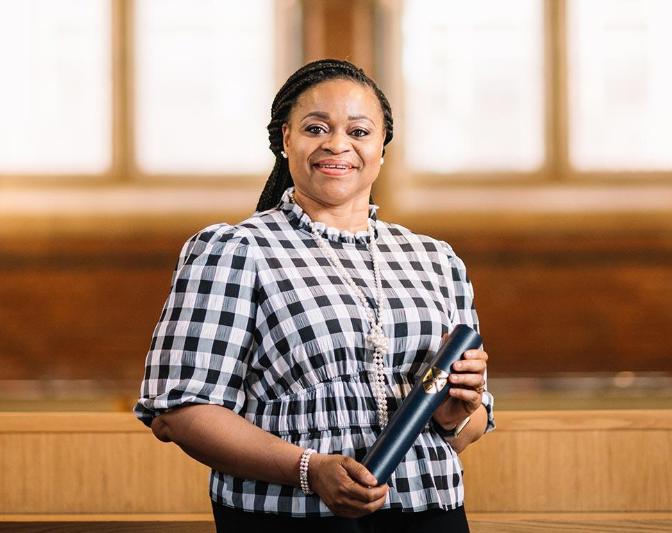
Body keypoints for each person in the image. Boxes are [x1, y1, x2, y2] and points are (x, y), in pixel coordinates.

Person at [134, 59, 495, 533]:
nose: (337, 144)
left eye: (360, 132)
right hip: (290, 518)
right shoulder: (235, 250)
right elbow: (181, 412)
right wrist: (309, 469)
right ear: (286, 140)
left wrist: (453, 416)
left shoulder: (436, 259)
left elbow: (471, 423)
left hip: (431, 517)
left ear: (381, 150)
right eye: (316, 128)